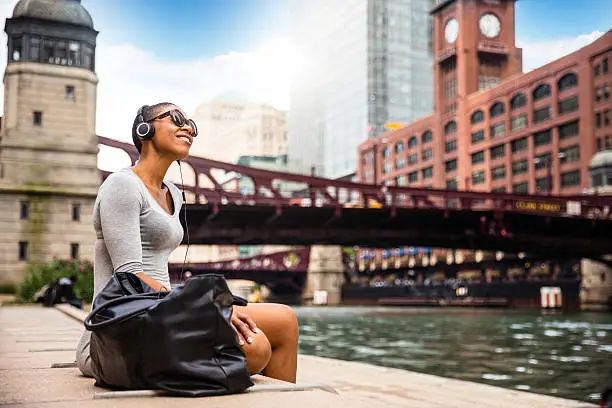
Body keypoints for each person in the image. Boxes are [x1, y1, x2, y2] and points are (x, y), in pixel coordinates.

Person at [76, 103, 298, 383]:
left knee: (286, 320)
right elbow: (129, 276)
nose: (188, 128)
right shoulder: (122, 185)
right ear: (144, 130)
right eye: (177, 119)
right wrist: (203, 308)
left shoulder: (175, 194)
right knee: (255, 348)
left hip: (166, 313)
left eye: (191, 123)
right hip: (120, 329)